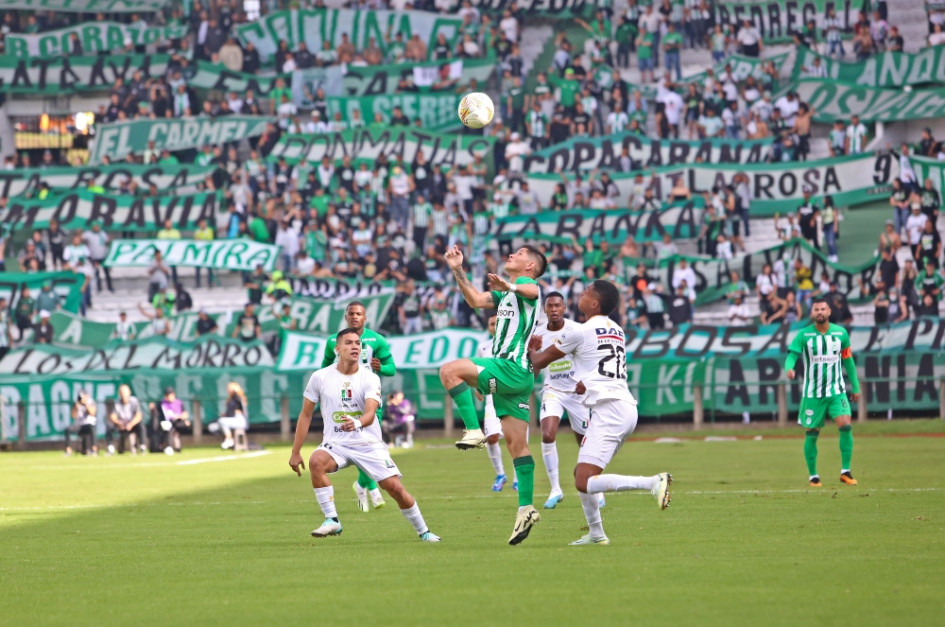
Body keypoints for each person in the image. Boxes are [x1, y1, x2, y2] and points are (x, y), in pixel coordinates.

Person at [528, 280, 671, 546]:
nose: (579, 295)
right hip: (623, 405)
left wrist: (533, 346)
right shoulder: (616, 329)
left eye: (584, 293)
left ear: (594, 303)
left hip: (610, 410)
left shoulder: (579, 331)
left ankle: (652, 482)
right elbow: (601, 364)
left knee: (584, 480)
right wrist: (587, 384)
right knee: (581, 475)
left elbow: (538, 362)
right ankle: (596, 534)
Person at [288, 328, 440, 542]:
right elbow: (305, 415)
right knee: (316, 461)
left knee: (394, 488)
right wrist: (295, 452)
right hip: (336, 444)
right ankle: (332, 520)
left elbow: (370, 413)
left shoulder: (369, 378)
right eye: (349, 343)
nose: (355, 347)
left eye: (358, 343)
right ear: (337, 348)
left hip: (367, 442)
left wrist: (357, 422)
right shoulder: (319, 377)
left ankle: (424, 532)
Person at [438, 244, 547, 545]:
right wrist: (457, 269)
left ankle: (473, 430)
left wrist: (509, 284)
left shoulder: (526, 283)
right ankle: (525, 507)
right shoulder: (506, 294)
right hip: (518, 378)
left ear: (530, 266)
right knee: (517, 446)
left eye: (521, 253)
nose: (512, 254)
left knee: (449, 371)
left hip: (509, 366)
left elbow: (534, 293)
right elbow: (474, 299)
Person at [321, 301, 396, 513]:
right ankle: (371, 488)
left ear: (365, 318)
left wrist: (382, 367)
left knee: (370, 444)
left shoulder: (377, 340)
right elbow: (324, 367)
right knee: (354, 445)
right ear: (346, 317)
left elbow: (392, 369)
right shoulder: (332, 342)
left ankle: (363, 485)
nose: (355, 316)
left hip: (370, 399)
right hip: (344, 399)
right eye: (351, 313)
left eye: (359, 314)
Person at [532, 292, 604, 510]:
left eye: (557, 306)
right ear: (545, 310)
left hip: (576, 393)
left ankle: (596, 487)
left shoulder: (576, 330)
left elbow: (592, 359)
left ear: (564, 308)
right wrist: (531, 352)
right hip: (552, 390)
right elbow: (534, 367)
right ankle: (555, 489)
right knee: (547, 434)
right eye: (550, 306)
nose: (553, 309)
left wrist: (587, 382)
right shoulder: (537, 334)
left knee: (585, 443)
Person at [784, 298, 861, 487]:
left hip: (836, 391)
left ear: (829, 312)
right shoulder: (804, 335)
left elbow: (848, 361)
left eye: (823, 309)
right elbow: (792, 355)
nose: (820, 312)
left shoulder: (840, 333)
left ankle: (845, 471)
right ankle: (813, 476)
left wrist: (856, 386)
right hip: (813, 394)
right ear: (812, 313)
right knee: (812, 433)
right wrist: (790, 368)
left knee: (845, 424)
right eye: (816, 309)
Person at [475, 314, 519, 492]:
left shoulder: (513, 344)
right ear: (488, 327)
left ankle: (517, 478)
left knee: (513, 438)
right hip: (492, 397)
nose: (494, 326)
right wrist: (478, 386)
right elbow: (480, 369)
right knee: (491, 437)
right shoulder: (483, 347)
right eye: (491, 323)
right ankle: (501, 474)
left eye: (497, 323)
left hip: (510, 396)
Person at [105, 384, 144, 455]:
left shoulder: (134, 401)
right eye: (122, 393)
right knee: (109, 426)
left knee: (141, 425)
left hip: (131, 424)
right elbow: (112, 416)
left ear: (129, 392)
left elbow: (139, 416)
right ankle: (110, 448)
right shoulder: (116, 402)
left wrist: (131, 424)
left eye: (125, 393)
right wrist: (119, 423)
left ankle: (142, 447)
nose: (124, 395)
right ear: (119, 394)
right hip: (120, 424)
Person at [157, 387, 191, 455]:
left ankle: (176, 447)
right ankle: (169, 447)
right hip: (167, 422)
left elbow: (185, 414)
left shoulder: (179, 402)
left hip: (178, 421)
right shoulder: (162, 403)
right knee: (169, 427)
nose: (168, 397)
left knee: (182, 425)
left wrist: (180, 417)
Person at [64, 391, 98, 456]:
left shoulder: (91, 402)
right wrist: (76, 408)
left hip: (88, 425)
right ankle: (68, 450)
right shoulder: (77, 403)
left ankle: (94, 450)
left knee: (92, 428)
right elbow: (73, 416)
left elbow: (92, 413)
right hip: (79, 425)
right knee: (67, 429)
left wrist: (86, 405)